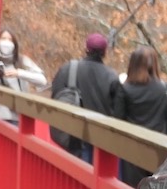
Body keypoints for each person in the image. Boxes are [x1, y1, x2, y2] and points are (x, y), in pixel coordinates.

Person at [49, 32, 122, 161]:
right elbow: (118, 112)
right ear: (104, 52)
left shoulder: (68, 68)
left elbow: (56, 96)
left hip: (71, 135)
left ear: (86, 49)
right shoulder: (112, 77)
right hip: (100, 141)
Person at [113, 45, 167, 186]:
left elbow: (118, 120)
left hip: (132, 150)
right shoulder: (166, 89)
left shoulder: (124, 89)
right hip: (158, 149)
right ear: (155, 64)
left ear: (132, 64)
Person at [0, 30, 47, 125]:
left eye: (10, 40)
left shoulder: (22, 61)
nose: (6, 42)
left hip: (16, 117)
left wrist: (19, 73)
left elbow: (42, 80)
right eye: (3, 38)